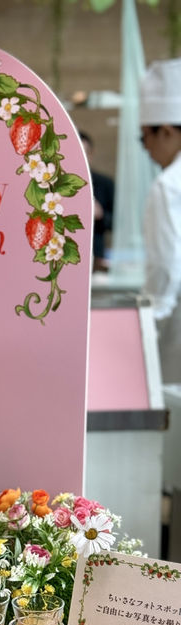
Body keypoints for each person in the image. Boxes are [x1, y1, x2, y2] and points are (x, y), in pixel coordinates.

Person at [139, 58, 181, 384]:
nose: (148, 151)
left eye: (145, 139)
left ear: (165, 131)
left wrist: (147, 322)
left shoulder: (168, 185)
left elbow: (165, 268)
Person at [79, 132, 114, 272]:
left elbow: (118, 223)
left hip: (96, 256)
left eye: (83, 153)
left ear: (90, 154)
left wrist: (100, 215)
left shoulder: (104, 184)